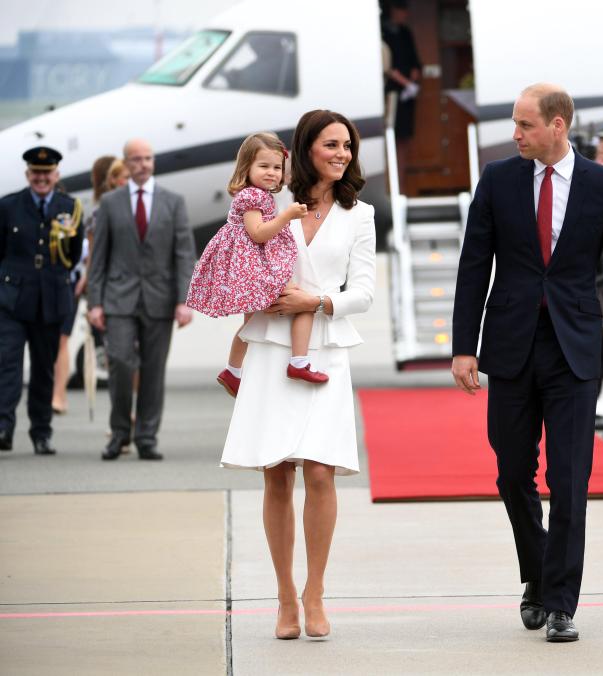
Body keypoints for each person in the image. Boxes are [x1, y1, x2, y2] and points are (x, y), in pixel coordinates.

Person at [451, 83, 603, 642]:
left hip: (574, 350)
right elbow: (474, 267)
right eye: (514, 125)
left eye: (525, 125)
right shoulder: (498, 180)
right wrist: (463, 346)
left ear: (558, 125)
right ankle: (537, 573)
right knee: (513, 472)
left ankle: (561, 601)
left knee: (570, 480)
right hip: (512, 346)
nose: (514, 135)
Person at [220, 110, 375, 640]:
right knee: (277, 472)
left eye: (348, 146)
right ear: (306, 148)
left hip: (324, 349)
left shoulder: (360, 214)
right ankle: (285, 595)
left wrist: (318, 301)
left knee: (320, 472)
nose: (342, 154)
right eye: (332, 144)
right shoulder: (268, 205)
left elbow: (365, 292)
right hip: (269, 345)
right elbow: (241, 259)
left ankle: (315, 592)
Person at [186, 132, 321, 397]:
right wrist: (287, 216)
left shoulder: (258, 194)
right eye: (264, 166)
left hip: (250, 264)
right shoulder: (253, 197)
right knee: (304, 302)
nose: (271, 173)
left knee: (250, 324)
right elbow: (258, 233)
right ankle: (299, 362)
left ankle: (233, 371)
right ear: (247, 166)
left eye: (277, 167)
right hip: (252, 268)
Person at [86, 138, 196, 461]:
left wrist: (184, 300)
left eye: (148, 158)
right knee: (119, 362)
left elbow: (184, 254)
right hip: (118, 298)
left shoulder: (173, 202)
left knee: (153, 369)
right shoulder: (110, 203)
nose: (143, 164)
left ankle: (147, 436)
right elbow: (99, 257)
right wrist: (95, 302)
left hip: (160, 300)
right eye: (136, 159)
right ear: (126, 163)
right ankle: (120, 433)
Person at [0, 147, 84, 455]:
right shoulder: (9, 206)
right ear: (28, 175)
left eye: (47, 173)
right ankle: (4, 427)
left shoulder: (69, 207)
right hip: (11, 300)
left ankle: (41, 433)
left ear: (56, 175)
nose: (41, 178)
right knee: (7, 364)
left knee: (43, 370)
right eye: (36, 173)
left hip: (50, 301)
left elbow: (72, 256)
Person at [51, 155, 117, 413]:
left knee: (63, 339)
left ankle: (59, 396)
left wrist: (88, 279)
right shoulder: (93, 211)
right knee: (62, 339)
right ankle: (58, 395)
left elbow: (88, 253)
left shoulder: (89, 211)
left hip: (90, 284)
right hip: (81, 283)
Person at [381, 0, 421, 188]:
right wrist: (405, 84)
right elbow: (387, 67)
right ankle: (389, 185)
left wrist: (412, 82)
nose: (404, 15)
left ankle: (401, 185)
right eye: (401, 10)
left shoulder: (406, 32)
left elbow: (415, 62)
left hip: (407, 95)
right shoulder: (383, 32)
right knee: (389, 137)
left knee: (404, 139)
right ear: (393, 11)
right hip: (391, 93)